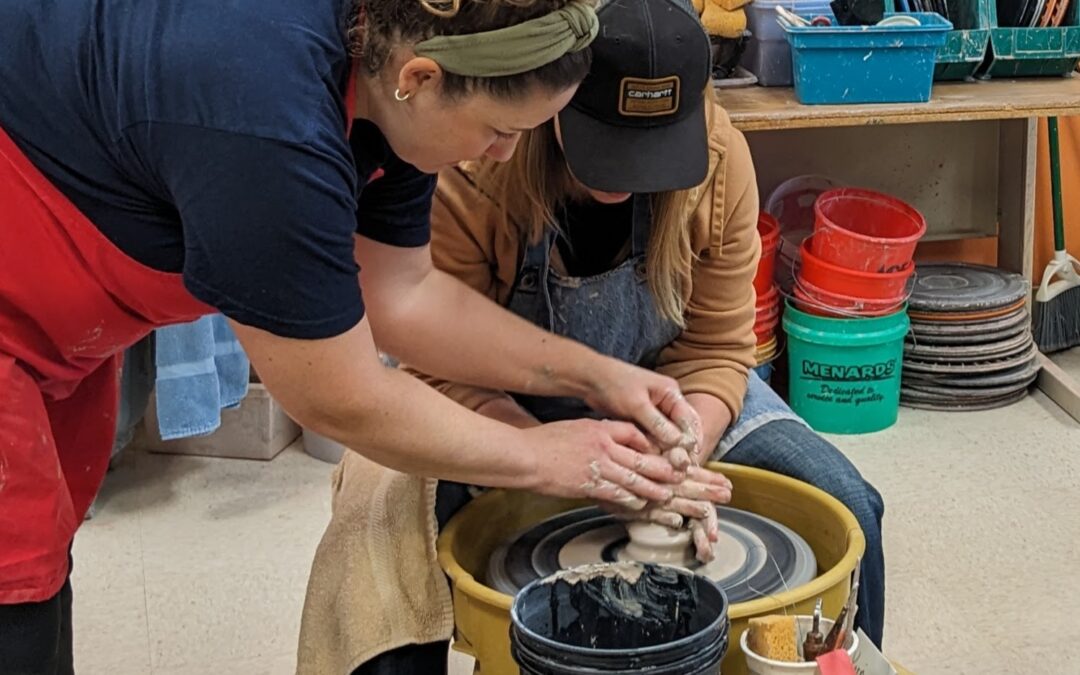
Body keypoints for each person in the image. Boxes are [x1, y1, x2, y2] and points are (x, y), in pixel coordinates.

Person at [0, 2, 724, 672]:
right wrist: (541, 456)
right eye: (501, 132)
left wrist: (597, 376)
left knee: (41, 560)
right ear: (422, 78)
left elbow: (402, 296)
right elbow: (337, 394)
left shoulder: (394, 85)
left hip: (65, 310)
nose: (505, 155)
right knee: (14, 576)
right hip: (17, 276)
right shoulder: (265, 116)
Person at [298, 1, 886, 672]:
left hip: (666, 396)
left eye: (651, 152)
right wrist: (534, 453)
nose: (624, 179)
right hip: (485, 398)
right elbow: (435, 362)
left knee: (847, 503)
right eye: (605, 147)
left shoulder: (720, 159)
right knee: (372, 547)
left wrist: (677, 450)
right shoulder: (474, 154)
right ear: (555, 100)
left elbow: (719, 349)